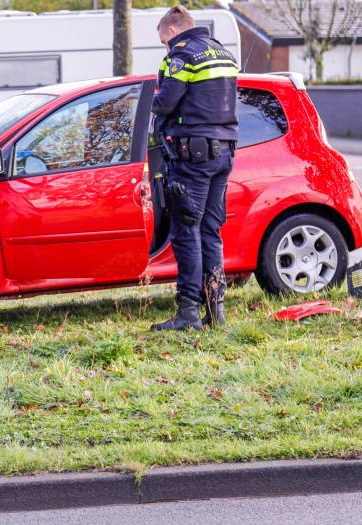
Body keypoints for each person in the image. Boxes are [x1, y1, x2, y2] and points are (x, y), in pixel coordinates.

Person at [150, 5, 239, 331]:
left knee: (185, 231)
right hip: (223, 155)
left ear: (173, 32)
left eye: (164, 41)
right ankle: (217, 312)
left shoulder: (182, 56)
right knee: (210, 231)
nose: (165, 48)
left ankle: (187, 312)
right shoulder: (222, 53)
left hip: (193, 159)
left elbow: (164, 103)